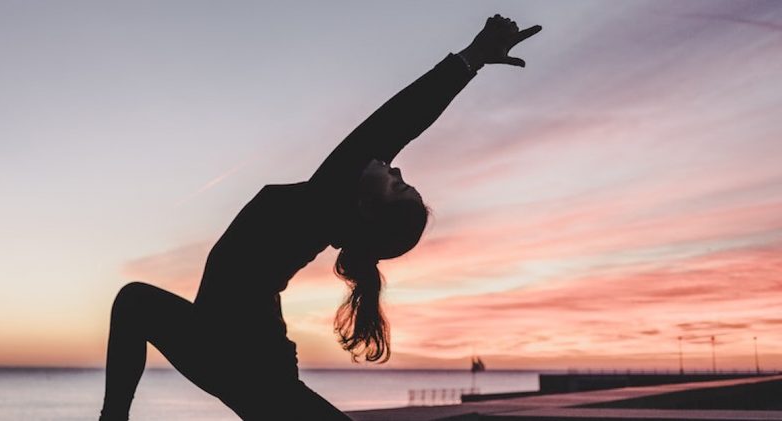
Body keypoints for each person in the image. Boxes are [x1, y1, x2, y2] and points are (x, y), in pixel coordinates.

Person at [99, 14, 541, 421]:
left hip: (243, 361)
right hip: (227, 351)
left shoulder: (326, 201)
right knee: (134, 301)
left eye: (398, 185)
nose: (396, 169)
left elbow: (397, 121)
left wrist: (472, 58)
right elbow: (391, 131)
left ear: (367, 208)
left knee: (135, 301)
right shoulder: (328, 207)